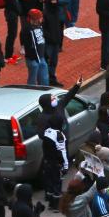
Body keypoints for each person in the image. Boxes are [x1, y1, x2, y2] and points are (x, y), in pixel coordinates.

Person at [36, 78, 82, 210]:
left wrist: (77, 86)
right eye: (52, 98)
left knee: (56, 174)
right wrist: (54, 138)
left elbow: (68, 97)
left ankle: (52, 195)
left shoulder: (59, 107)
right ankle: (54, 201)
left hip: (61, 144)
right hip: (52, 150)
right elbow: (41, 134)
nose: (55, 99)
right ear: (47, 103)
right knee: (54, 175)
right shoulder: (43, 118)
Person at [43, 0, 68, 86]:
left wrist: (58, 41)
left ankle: (52, 79)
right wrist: (51, 39)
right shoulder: (46, 14)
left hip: (55, 41)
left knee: (54, 62)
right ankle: (46, 80)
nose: (55, 1)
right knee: (47, 62)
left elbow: (59, 27)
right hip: (49, 42)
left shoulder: (57, 13)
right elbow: (44, 29)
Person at [22, 8, 49, 86]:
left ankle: (44, 93)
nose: (42, 19)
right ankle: (31, 94)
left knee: (44, 79)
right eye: (40, 17)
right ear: (35, 19)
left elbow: (43, 41)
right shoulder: (27, 29)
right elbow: (29, 46)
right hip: (33, 59)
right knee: (32, 81)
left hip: (41, 57)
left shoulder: (40, 26)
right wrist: (36, 58)